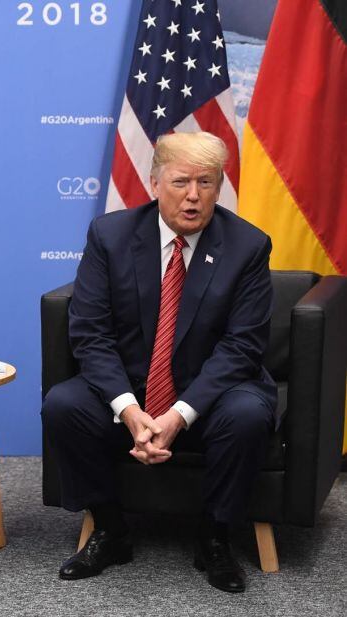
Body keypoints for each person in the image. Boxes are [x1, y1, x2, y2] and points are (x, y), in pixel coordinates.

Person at [41, 132, 276, 593]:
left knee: (248, 415)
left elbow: (242, 346)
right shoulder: (110, 236)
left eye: (206, 183)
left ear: (219, 187)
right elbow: (90, 333)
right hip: (131, 388)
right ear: (154, 183)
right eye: (181, 181)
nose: (193, 196)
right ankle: (110, 531)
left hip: (212, 393)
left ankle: (214, 536)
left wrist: (178, 415)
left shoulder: (248, 246)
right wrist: (130, 411)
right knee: (63, 404)